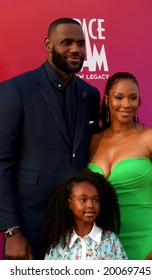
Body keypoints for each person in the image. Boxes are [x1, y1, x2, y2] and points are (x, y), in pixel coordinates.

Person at [0, 17, 100, 260]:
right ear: (48, 44)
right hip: (31, 227)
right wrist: (12, 231)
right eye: (67, 42)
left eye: (80, 43)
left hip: (77, 228)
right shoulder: (16, 90)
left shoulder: (91, 94)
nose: (76, 49)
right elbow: (2, 163)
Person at [87, 72, 152, 260]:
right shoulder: (93, 141)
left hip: (149, 239)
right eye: (119, 97)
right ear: (108, 100)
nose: (126, 104)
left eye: (133, 98)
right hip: (104, 244)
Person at [42, 169, 127, 260]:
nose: (90, 205)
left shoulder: (110, 240)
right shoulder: (58, 244)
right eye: (83, 200)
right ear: (69, 204)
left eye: (95, 200)